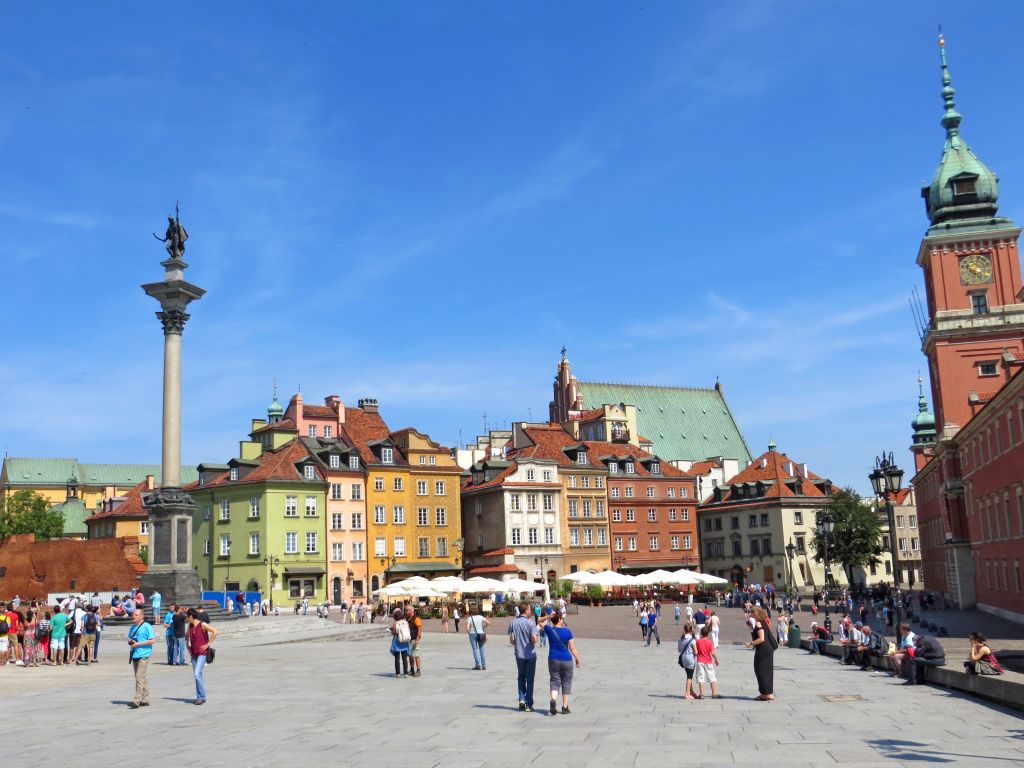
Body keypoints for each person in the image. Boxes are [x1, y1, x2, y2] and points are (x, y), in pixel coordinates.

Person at [538, 610, 580, 714]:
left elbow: (539, 621)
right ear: (560, 619)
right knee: (566, 682)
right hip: (566, 659)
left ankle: (553, 699)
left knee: (555, 680)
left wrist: (548, 616)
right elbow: (572, 648)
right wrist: (577, 658)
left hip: (553, 659)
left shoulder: (549, 629)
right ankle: (565, 707)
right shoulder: (568, 631)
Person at [508, 602, 540, 711]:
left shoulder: (513, 623)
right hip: (530, 655)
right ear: (526, 610)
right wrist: (536, 638)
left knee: (521, 677)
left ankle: (521, 698)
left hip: (519, 655)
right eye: (529, 609)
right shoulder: (530, 623)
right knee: (530, 679)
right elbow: (534, 640)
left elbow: (512, 641)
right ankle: (528, 703)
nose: (530, 611)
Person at [186, 608, 218, 705]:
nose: (187, 619)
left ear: (191, 616)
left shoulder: (202, 625)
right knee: (198, 675)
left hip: (202, 653)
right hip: (194, 653)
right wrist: (187, 646)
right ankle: (201, 696)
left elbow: (215, 631)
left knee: (196, 674)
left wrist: (208, 644)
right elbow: (186, 636)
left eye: (187, 617)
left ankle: (201, 696)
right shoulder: (190, 625)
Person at [127, 608, 155, 708]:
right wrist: (131, 641)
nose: (133, 616)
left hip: (144, 654)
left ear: (141, 616)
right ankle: (146, 699)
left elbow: (152, 640)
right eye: (133, 615)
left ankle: (137, 700)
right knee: (141, 677)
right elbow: (129, 638)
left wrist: (139, 644)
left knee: (139, 677)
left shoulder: (147, 626)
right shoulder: (133, 627)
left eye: (136, 615)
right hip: (135, 654)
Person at [746, 606, 775, 700]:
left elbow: (761, 639)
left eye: (752, 611)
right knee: (767, 670)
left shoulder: (759, 623)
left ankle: (766, 693)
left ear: (756, 612)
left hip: (763, 649)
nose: (750, 613)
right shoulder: (763, 621)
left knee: (760, 670)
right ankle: (767, 693)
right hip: (768, 649)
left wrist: (750, 643)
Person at [694, 625, 720, 699]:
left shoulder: (698, 642)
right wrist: (716, 659)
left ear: (701, 633)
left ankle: (701, 694)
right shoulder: (709, 642)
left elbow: (696, 652)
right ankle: (714, 693)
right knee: (712, 677)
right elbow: (713, 653)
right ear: (708, 634)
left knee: (700, 678)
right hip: (708, 661)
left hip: (700, 661)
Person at [677, 622, 698, 700]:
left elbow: (679, 650)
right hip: (690, 659)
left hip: (683, 658)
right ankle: (687, 694)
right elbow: (696, 652)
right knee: (689, 677)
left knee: (689, 675)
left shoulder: (680, 639)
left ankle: (691, 691)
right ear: (691, 630)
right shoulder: (692, 640)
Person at [389, 608, 411, 677]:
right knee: (404, 658)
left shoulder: (395, 623)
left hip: (397, 641)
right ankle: (405, 673)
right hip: (404, 641)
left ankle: (398, 673)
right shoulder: (406, 622)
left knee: (397, 658)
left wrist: (391, 630)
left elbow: (393, 633)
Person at [467, 606, 489, 670]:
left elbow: (467, 628)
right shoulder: (481, 617)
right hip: (481, 634)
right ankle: (484, 665)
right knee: (482, 648)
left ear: (471, 612)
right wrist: (483, 628)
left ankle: (478, 665)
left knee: (475, 649)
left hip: (472, 634)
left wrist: (469, 633)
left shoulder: (470, 618)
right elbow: (488, 622)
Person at [405, 605, 423, 677]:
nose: (405, 611)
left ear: (411, 610)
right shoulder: (407, 618)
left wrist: (417, 639)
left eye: (406, 610)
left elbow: (419, 629)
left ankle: (418, 670)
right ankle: (412, 669)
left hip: (414, 639)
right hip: (408, 639)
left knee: (416, 655)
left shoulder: (416, 618)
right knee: (410, 655)